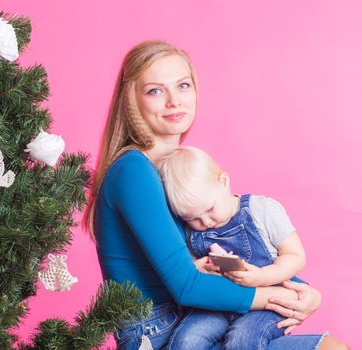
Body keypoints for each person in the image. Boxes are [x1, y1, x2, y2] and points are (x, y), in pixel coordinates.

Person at [83, 40, 348, 349]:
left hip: (198, 317)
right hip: (159, 332)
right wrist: (279, 298)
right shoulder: (133, 172)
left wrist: (303, 292)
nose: (173, 101)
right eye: (155, 90)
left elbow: (221, 258)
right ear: (132, 100)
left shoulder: (177, 171)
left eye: (183, 85)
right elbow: (186, 285)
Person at [156, 146, 308, 349]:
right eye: (192, 218)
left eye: (209, 209)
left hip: (269, 302)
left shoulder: (261, 210)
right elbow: (190, 271)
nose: (205, 221)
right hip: (220, 302)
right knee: (187, 339)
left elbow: (296, 256)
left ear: (224, 182)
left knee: (242, 339)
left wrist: (263, 275)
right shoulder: (191, 231)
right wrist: (199, 268)